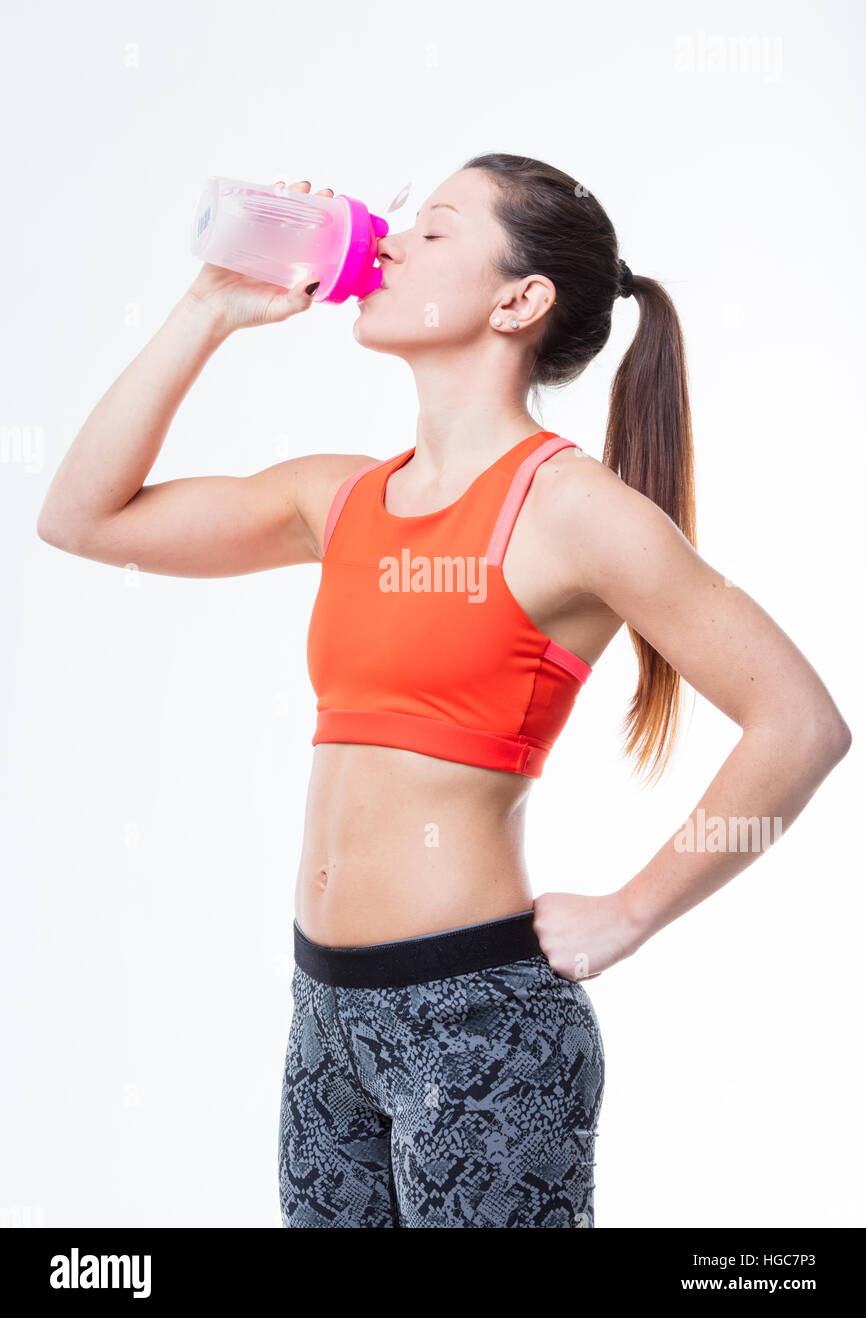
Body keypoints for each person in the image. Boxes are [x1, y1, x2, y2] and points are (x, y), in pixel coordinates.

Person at [37, 154, 851, 1229]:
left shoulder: (571, 510)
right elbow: (81, 518)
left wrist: (631, 912)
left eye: (434, 231)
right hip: (323, 1017)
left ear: (518, 300)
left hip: (477, 1023)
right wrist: (210, 306)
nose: (389, 244)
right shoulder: (339, 498)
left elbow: (799, 722)